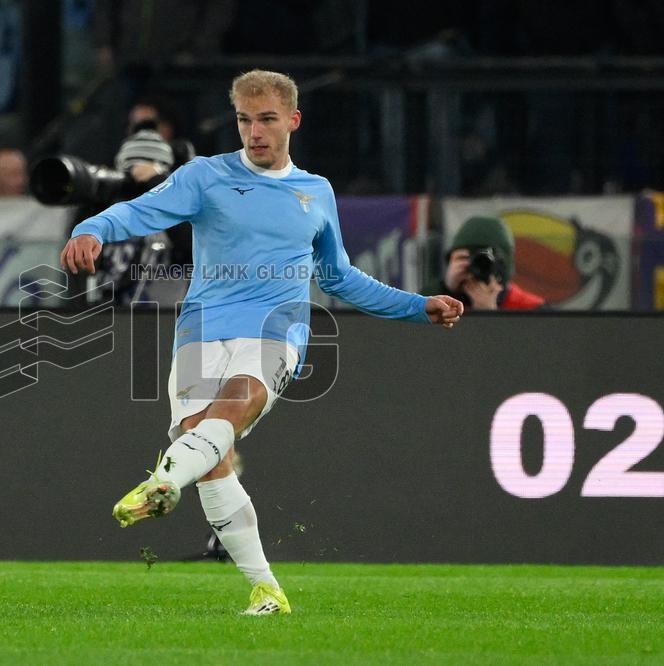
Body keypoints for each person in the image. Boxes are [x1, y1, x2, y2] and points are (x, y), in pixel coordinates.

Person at [60, 70, 463, 615]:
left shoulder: (315, 192)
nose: (255, 132)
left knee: (239, 400)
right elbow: (139, 210)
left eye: (267, 119)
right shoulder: (204, 176)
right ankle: (266, 587)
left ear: (293, 120)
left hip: (277, 327)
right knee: (206, 447)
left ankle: (163, 481)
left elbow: (340, 277)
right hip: (201, 328)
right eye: (246, 120)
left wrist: (418, 306)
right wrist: (94, 228)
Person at [421, 216, 545, 311]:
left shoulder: (530, 309)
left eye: (485, 261)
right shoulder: (433, 299)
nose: (477, 266)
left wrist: (488, 316)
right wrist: (446, 289)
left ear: (503, 265)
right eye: (464, 258)